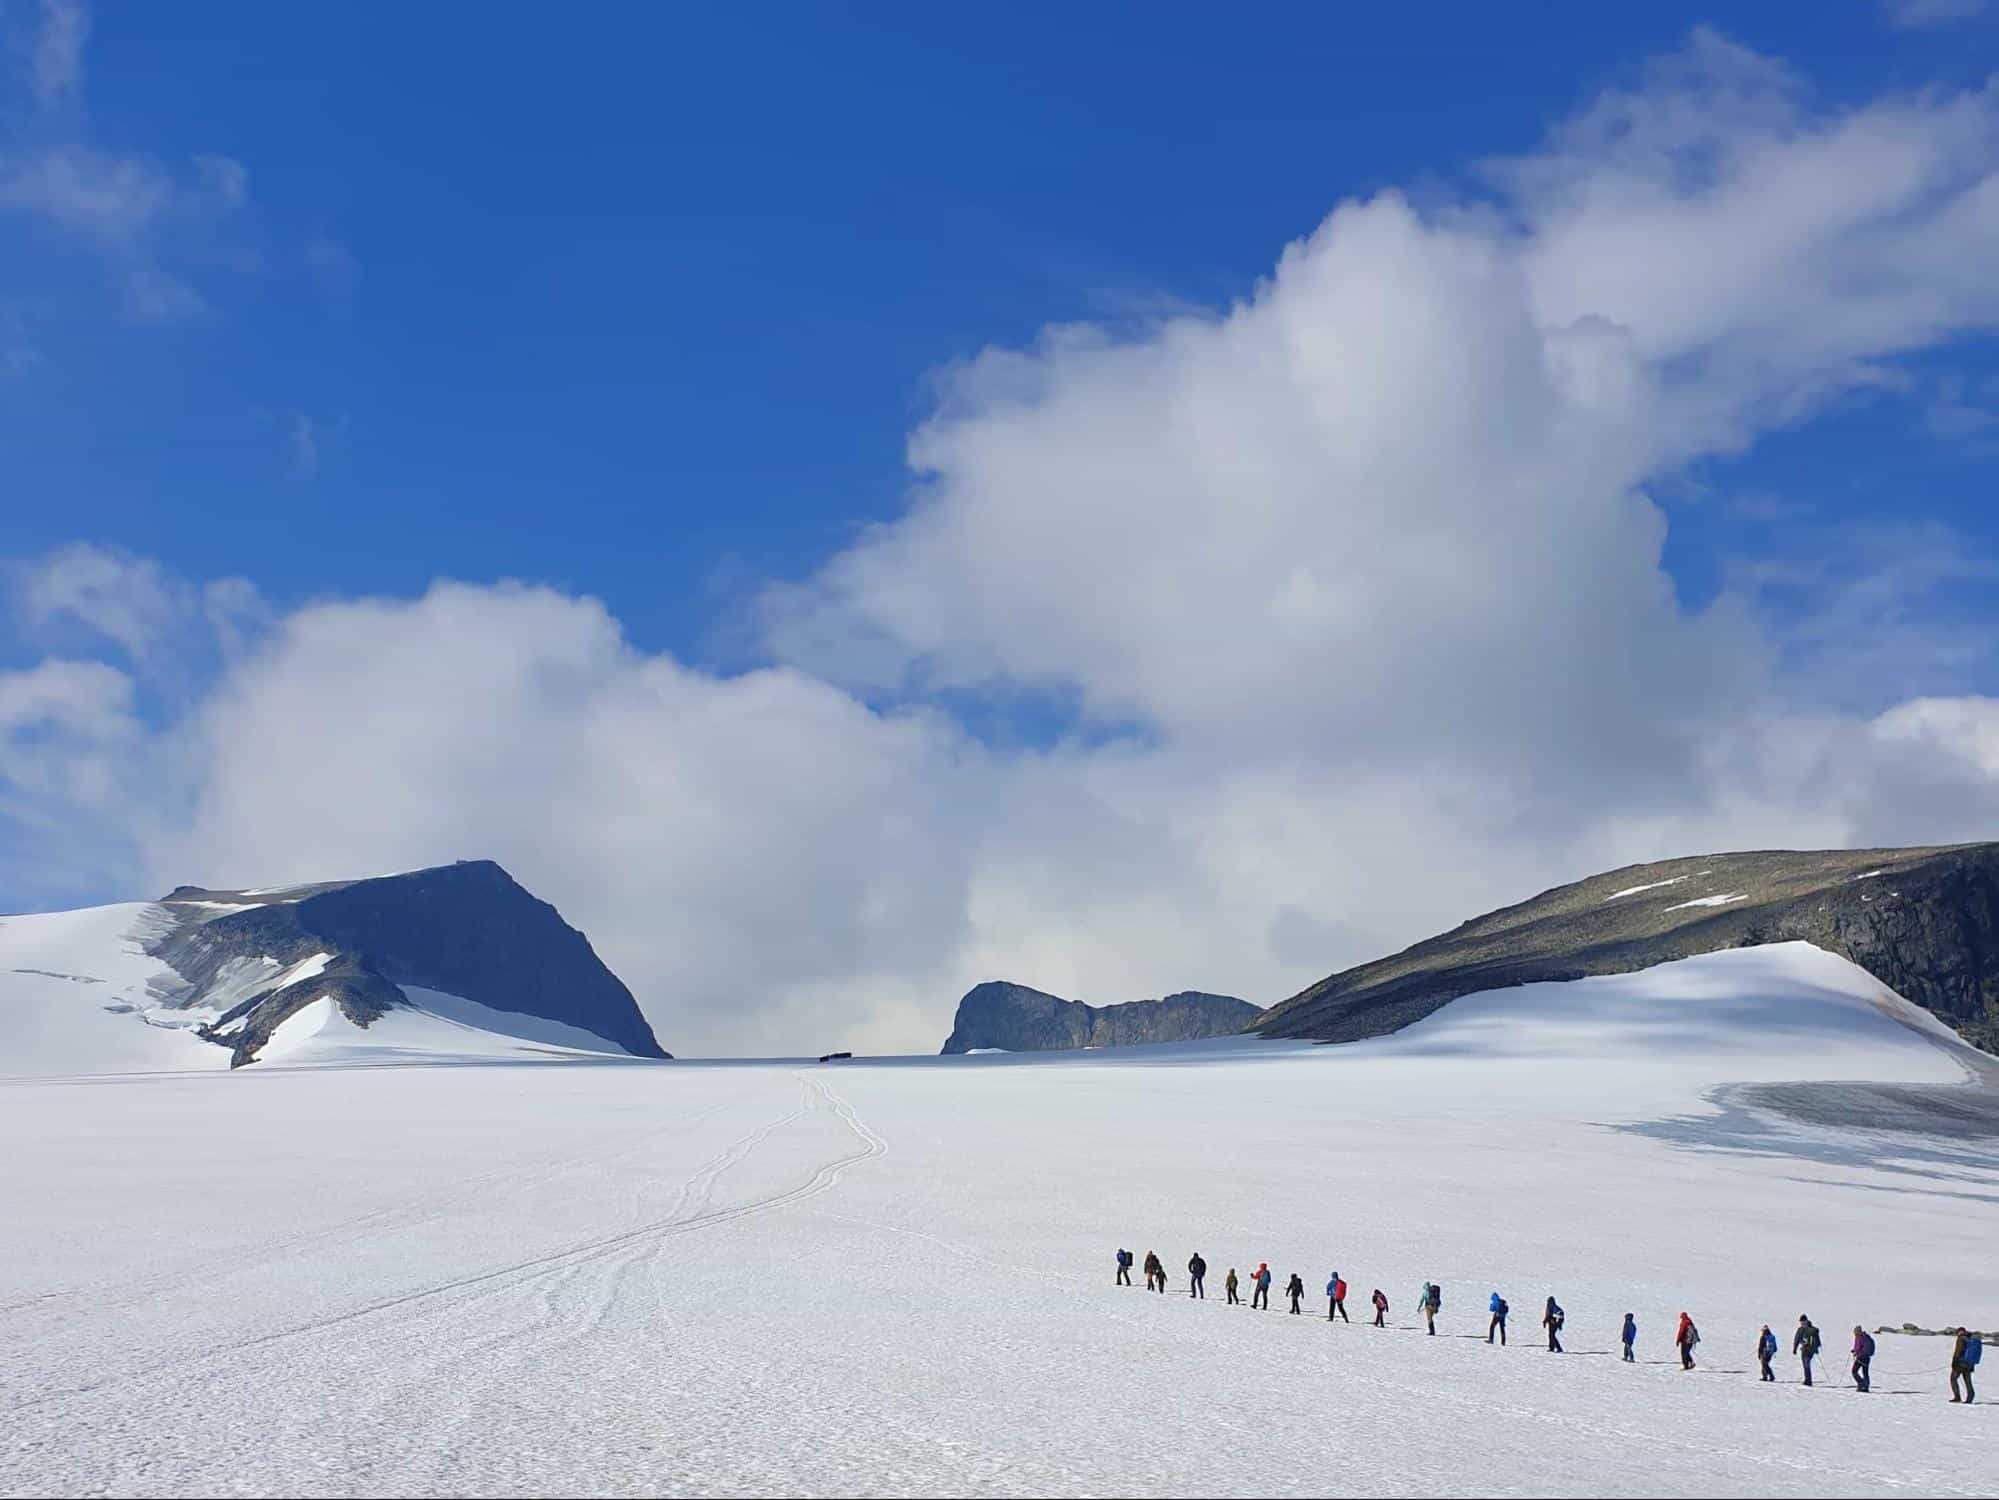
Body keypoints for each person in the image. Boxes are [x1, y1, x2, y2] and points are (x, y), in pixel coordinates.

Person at [1951, 1327, 1981, 1403]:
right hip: (1969, 1363)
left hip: (1961, 1362)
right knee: (1967, 1380)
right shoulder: (1970, 1338)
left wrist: (1955, 1360)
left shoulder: (1961, 1338)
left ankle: (1957, 1397)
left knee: (1953, 1379)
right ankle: (1970, 1397)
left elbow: (1959, 1350)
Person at [1794, 1314, 1821, 1386]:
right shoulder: (1800, 1330)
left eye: (1803, 1322)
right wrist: (1795, 1348)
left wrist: (1816, 1348)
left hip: (1809, 1350)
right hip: (1804, 1349)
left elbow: (1817, 1340)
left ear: (1806, 1321)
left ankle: (1808, 1381)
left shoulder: (1812, 1329)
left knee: (1806, 1364)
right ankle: (1807, 1379)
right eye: (1801, 1322)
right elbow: (1797, 1339)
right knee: (1805, 1365)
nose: (1802, 1323)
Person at [1851, 1326, 1874, 1392]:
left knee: (1854, 1371)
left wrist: (1855, 1352)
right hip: (1867, 1357)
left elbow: (1858, 1348)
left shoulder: (1859, 1337)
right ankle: (1866, 1386)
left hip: (1861, 1357)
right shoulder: (1866, 1337)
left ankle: (1861, 1384)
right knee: (1865, 1372)